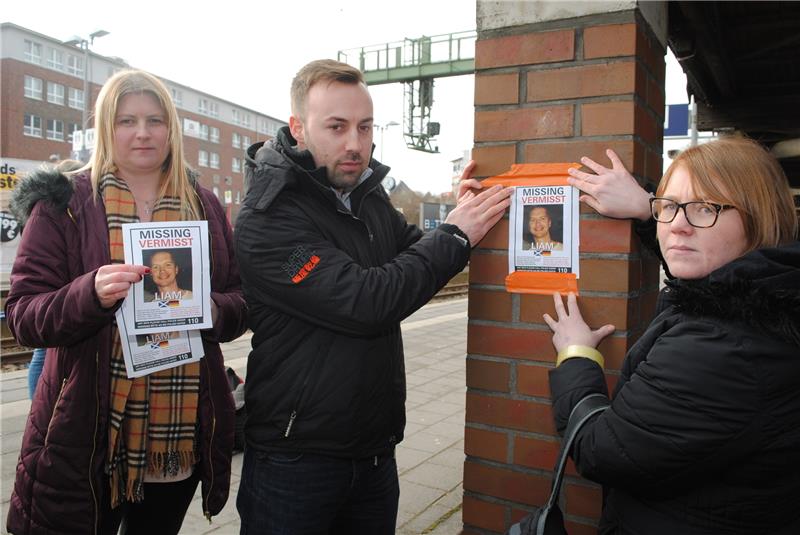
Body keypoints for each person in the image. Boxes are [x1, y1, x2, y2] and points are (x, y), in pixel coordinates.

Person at [234, 59, 512, 535]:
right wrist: (453, 235)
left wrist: (460, 215)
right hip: (296, 459)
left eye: (365, 127)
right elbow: (367, 302)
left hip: (375, 452)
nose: (355, 145)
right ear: (298, 128)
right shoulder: (267, 219)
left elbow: (414, 253)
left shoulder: (366, 196)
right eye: (337, 127)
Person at [5, 69, 247, 535]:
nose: (142, 133)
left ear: (171, 129)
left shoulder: (204, 204)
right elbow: (22, 315)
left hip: (176, 436)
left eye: (155, 120)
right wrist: (88, 293)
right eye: (126, 120)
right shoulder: (65, 203)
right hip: (89, 432)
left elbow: (242, 299)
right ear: (105, 128)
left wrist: (213, 311)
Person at [543, 137, 800, 534]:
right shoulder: (772, 296)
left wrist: (577, 356)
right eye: (670, 206)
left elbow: (603, 450)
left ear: (760, 218)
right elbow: (710, 275)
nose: (678, 224)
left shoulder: (724, 348)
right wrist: (649, 209)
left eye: (706, 207)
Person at [25, 159, 83, 399]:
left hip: (50, 291)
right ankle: (39, 401)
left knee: (42, 352)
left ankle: (37, 401)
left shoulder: (37, 208)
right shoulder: (55, 209)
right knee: (45, 354)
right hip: (59, 291)